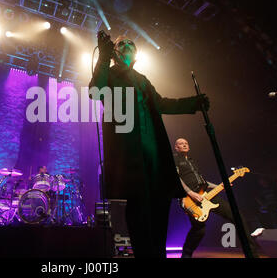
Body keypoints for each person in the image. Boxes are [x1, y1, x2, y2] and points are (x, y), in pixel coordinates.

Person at [88, 32, 209, 258]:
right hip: (129, 155)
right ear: (115, 52)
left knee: (159, 209)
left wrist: (194, 103)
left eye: (130, 43)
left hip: (155, 154)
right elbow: (96, 92)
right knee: (139, 210)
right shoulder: (111, 74)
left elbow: (161, 103)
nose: (125, 45)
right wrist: (103, 57)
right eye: (121, 43)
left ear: (136, 53)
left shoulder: (142, 79)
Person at [173, 138, 260, 258]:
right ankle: (186, 255)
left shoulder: (192, 161)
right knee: (199, 230)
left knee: (237, 216)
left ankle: (252, 254)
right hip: (190, 199)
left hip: (207, 195)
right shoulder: (175, 159)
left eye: (186, 143)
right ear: (176, 148)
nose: (184, 145)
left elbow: (203, 182)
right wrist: (191, 193)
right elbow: (175, 178)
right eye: (181, 144)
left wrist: (220, 186)